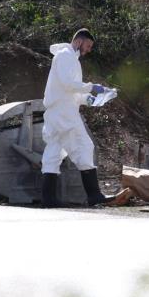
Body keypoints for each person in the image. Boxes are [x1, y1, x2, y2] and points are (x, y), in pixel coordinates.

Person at [41, 28, 113, 208]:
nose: (89, 50)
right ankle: (94, 195)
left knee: (53, 153)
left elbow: (70, 91)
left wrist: (92, 98)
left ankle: (48, 199)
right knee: (84, 146)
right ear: (79, 41)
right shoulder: (66, 56)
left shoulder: (70, 59)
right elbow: (67, 84)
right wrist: (91, 87)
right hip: (64, 112)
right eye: (88, 46)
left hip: (56, 111)